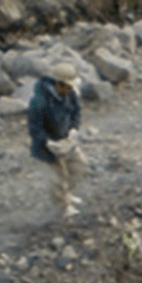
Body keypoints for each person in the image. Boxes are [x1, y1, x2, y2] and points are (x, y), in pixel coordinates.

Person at [28, 61, 86, 217]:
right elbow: (34, 128)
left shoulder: (70, 94)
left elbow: (76, 112)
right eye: (68, 86)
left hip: (65, 139)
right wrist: (47, 142)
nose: (70, 89)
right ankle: (63, 207)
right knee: (56, 179)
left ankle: (68, 194)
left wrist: (74, 129)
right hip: (46, 146)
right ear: (59, 84)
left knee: (79, 166)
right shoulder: (39, 102)